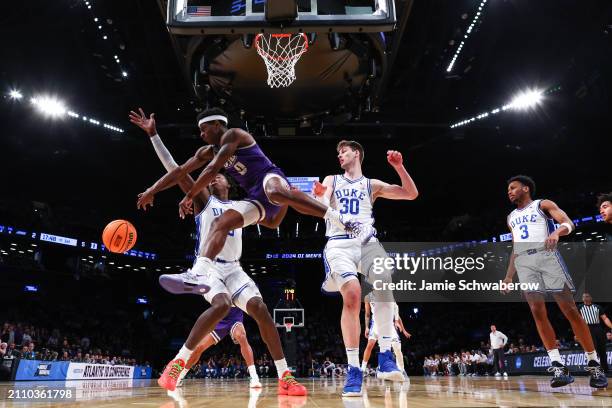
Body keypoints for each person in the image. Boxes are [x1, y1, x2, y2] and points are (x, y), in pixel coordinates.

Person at [130, 109, 305, 395]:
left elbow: (275, 218)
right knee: (222, 305)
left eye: (218, 178)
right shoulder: (204, 201)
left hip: (234, 267)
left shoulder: (244, 207)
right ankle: (177, 364)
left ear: (229, 182)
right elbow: (175, 167)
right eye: (211, 178)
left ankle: (285, 376)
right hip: (209, 268)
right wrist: (154, 136)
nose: (213, 180)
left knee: (260, 309)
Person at [136, 107, 375, 293]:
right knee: (224, 222)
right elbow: (178, 171)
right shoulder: (205, 151)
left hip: (270, 179)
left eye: (204, 129)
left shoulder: (234, 135)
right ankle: (198, 272)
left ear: (217, 125)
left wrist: (189, 195)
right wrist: (151, 190)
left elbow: (212, 169)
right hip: (256, 199)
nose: (201, 134)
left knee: (274, 191)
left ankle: (340, 219)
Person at [312, 140, 418, 396]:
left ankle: (384, 356)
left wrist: (400, 167)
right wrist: (319, 196)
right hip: (339, 244)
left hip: (368, 243)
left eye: (344, 152)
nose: (339, 155)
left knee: (383, 283)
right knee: (352, 295)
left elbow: (411, 193)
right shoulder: (332, 179)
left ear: (356, 153)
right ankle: (353, 370)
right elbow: (320, 206)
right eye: (338, 152)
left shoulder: (372, 185)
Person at [502, 175, 607, 388]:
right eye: (508, 189)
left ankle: (594, 364)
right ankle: (558, 366)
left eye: (513, 188)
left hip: (546, 255)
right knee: (537, 312)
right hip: (524, 263)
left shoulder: (543, 204)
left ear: (525, 188)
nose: (509, 191)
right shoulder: (511, 216)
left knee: (569, 310)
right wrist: (508, 276)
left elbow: (568, 223)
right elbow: (515, 248)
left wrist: (558, 232)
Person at [361, 296, 411, 378]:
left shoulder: (387, 294)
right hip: (376, 324)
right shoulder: (368, 297)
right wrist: (366, 327)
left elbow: (396, 311)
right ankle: (362, 369)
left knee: (397, 348)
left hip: (389, 324)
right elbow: (367, 314)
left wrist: (401, 327)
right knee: (370, 344)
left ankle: (401, 370)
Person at [578, 292, 612, 374]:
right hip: (586, 329)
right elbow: (576, 321)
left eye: (587, 296)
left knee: (602, 350)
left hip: (598, 328)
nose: (585, 298)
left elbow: (605, 318)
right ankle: (593, 370)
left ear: (591, 298)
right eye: (583, 296)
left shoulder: (597, 307)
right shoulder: (579, 308)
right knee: (592, 350)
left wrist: (611, 326)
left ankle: (605, 370)